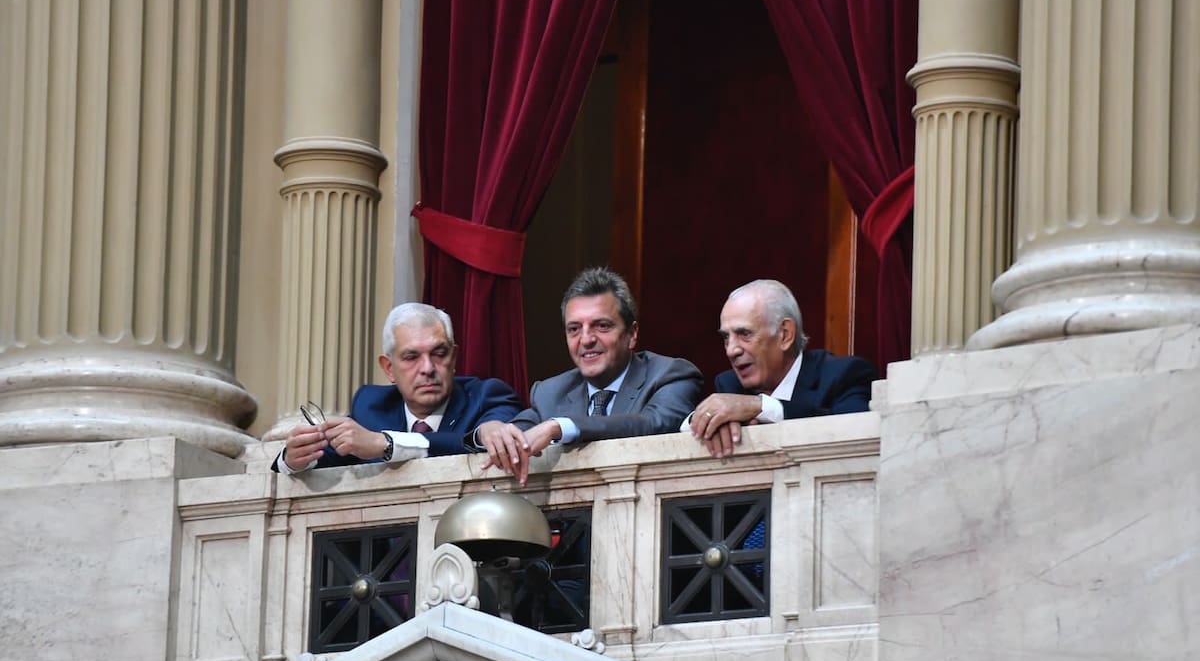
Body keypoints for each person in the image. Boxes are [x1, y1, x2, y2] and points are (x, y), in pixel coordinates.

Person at [476, 267, 702, 485]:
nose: (585, 340)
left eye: (602, 326)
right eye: (574, 329)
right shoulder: (550, 392)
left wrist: (561, 427)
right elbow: (519, 431)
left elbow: (656, 424)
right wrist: (490, 431)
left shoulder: (670, 374)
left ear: (632, 335)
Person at [272, 303, 523, 473]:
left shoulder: (487, 397)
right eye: (411, 357)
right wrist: (294, 459)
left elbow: (477, 439)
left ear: (454, 358)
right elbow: (324, 462)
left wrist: (387, 443)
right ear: (389, 368)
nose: (427, 368)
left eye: (439, 353)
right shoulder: (372, 407)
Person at [686, 279, 876, 458]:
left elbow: (855, 432)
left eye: (744, 334)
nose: (731, 350)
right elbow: (684, 432)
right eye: (726, 337)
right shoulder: (730, 384)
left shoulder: (845, 374)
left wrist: (761, 407)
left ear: (785, 334)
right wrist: (706, 419)